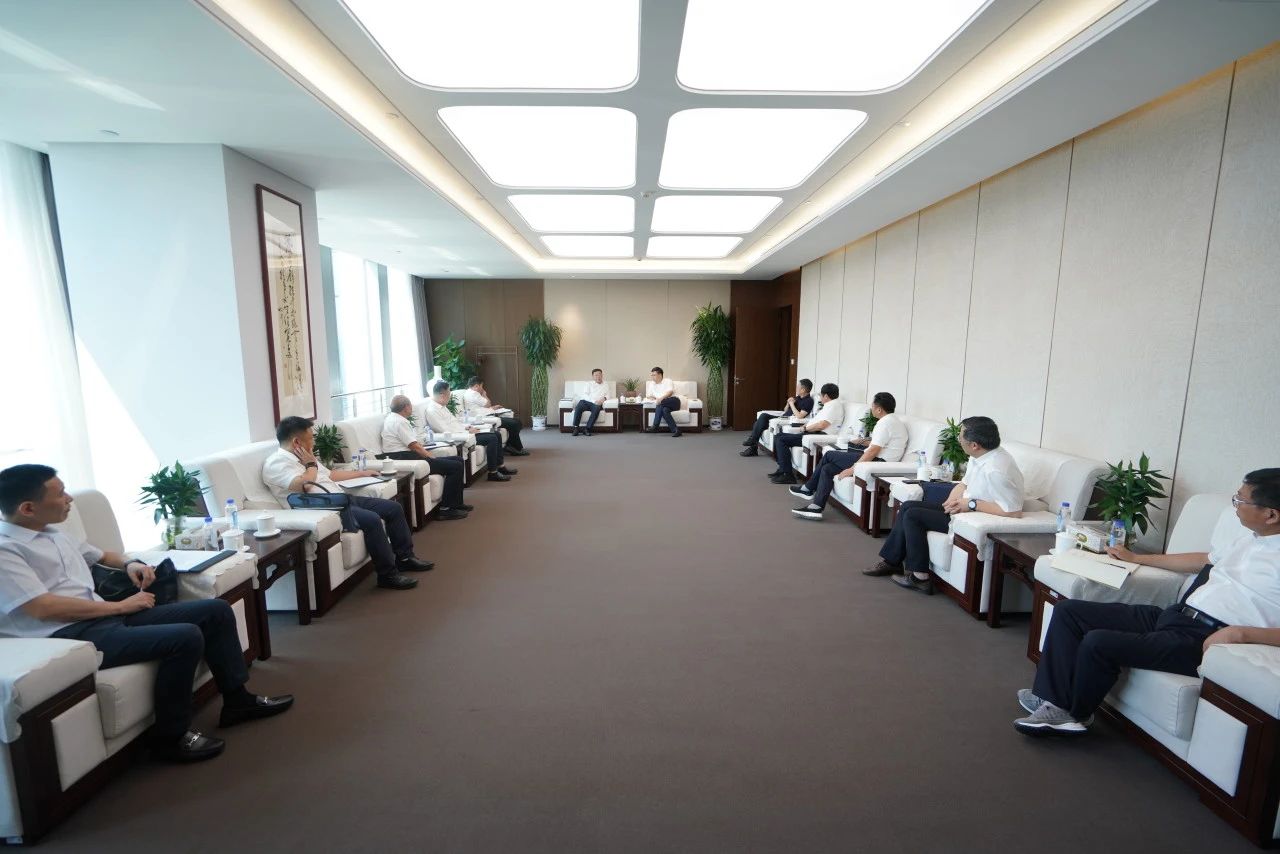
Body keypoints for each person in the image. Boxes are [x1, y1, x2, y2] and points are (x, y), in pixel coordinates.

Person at [0, 464, 293, 762]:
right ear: (28, 508)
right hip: (69, 635)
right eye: (61, 493)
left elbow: (102, 556)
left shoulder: (53, 533)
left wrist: (131, 564)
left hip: (104, 617)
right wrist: (120, 606)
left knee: (215, 611)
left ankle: (237, 701)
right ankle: (170, 738)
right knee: (185, 637)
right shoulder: (6, 551)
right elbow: (43, 608)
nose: (69, 499)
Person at [1014, 468, 1280, 736]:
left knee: (1098, 642)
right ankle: (1053, 700)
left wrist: (1240, 633)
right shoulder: (1248, 537)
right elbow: (1203, 560)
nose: (1235, 505)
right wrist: (1137, 558)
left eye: (1241, 500)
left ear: (1271, 515)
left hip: (1204, 637)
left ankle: (1074, 714)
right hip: (1177, 616)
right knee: (1069, 611)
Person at [263, 417, 432, 591]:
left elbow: (330, 475)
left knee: (393, 508)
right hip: (327, 508)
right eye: (311, 438)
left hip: (342, 498)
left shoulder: (304, 457)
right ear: (296, 442)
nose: (313, 442)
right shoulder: (277, 463)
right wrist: (311, 464)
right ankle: (387, 575)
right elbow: (303, 484)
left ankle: (405, 558)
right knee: (372, 519)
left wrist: (362, 473)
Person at [863, 415, 1023, 594]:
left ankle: (920, 577)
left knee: (913, 516)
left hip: (973, 514)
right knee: (908, 506)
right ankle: (892, 562)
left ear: (974, 445)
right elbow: (964, 484)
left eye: (961, 437)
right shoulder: (980, 455)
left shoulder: (996, 470)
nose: (958, 440)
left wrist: (971, 504)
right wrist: (951, 501)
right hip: (963, 508)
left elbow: (1013, 511)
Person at [791, 392, 908, 520]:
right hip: (880, 459)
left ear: (879, 409)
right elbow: (880, 444)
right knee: (827, 469)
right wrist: (864, 441)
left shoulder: (884, 423)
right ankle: (816, 507)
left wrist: (852, 469)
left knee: (829, 455)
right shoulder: (894, 421)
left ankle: (808, 488)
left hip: (877, 461)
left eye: (873, 406)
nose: (871, 408)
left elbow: (873, 451)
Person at [381, 395, 471, 521]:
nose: (411, 408)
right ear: (406, 407)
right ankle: (446, 509)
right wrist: (430, 456)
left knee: (458, 460)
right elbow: (414, 445)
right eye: (410, 406)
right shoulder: (399, 422)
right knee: (455, 466)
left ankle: (456, 503)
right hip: (407, 458)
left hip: (408, 455)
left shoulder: (393, 418)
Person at [423, 381, 517, 482]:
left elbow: (456, 422)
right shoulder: (432, 411)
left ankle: (500, 466)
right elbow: (445, 430)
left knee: (496, 434)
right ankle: (493, 473)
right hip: (460, 437)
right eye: (449, 393)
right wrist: (468, 432)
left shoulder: (442, 407)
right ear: (442, 395)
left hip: (465, 432)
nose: (450, 397)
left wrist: (468, 427)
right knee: (492, 438)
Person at [768, 383, 845, 484]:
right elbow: (819, 421)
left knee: (781, 439)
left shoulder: (834, 406)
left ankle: (788, 475)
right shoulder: (830, 405)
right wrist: (806, 426)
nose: (820, 398)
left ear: (826, 396)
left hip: (818, 435)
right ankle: (782, 469)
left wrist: (805, 428)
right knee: (779, 436)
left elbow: (822, 425)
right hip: (813, 433)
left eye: (821, 395)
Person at [740, 379, 815, 457]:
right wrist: (788, 403)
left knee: (762, 418)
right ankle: (753, 445)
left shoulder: (808, 401)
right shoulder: (798, 398)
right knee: (760, 420)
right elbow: (785, 410)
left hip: (787, 421)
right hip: (782, 417)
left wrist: (792, 404)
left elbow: (800, 416)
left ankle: (752, 443)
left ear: (803, 390)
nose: (796, 388)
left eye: (797, 387)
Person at [462, 377, 528, 457]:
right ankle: (515, 447)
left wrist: (492, 408)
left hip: (487, 415)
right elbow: (488, 404)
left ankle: (512, 446)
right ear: (476, 386)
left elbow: (481, 407)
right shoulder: (474, 394)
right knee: (515, 423)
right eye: (482, 386)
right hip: (485, 418)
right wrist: (484, 394)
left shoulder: (469, 393)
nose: (482, 388)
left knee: (516, 422)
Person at [645, 366, 683, 437]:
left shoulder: (668, 381)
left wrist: (660, 399)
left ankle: (655, 426)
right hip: (663, 404)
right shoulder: (651, 384)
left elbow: (670, 393)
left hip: (674, 401)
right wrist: (655, 398)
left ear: (660, 375)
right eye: (651, 375)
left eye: (654, 375)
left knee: (660, 403)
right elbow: (648, 396)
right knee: (665, 411)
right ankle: (676, 430)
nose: (652, 377)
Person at [571, 368, 610, 437]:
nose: (598, 377)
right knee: (578, 407)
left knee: (597, 408)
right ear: (593, 377)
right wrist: (594, 401)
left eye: (599, 375)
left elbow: (608, 395)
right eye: (596, 375)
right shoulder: (589, 384)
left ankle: (587, 429)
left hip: (597, 403)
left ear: (602, 375)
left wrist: (602, 400)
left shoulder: (605, 384)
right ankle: (576, 428)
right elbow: (585, 395)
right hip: (586, 401)